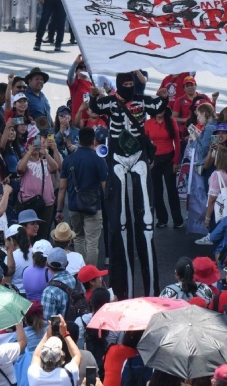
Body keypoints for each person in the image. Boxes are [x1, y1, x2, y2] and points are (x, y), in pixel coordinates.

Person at [87, 74, 166, 299]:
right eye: (126, 85)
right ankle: (124, 291)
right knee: (119, 219)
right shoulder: (111, 102)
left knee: (146, 220)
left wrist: (163, 96)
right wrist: (94, 97)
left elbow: (159, 105)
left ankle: (151, 291)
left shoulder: (141, 101)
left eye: (132, 84)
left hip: (138, 154)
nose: (130, 87)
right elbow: (95, 106)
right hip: (118, 158)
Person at [59, 128, 107, 266]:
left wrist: (59, 209)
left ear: (78, 140)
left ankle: (80, 271)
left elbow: (62, 187)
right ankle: (90, 275)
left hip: (74, 204)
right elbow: (105, 186)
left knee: (78, 238)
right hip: (93, 205)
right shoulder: (99, 160)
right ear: (94, 141)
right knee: (92, 242)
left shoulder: (69, 160)